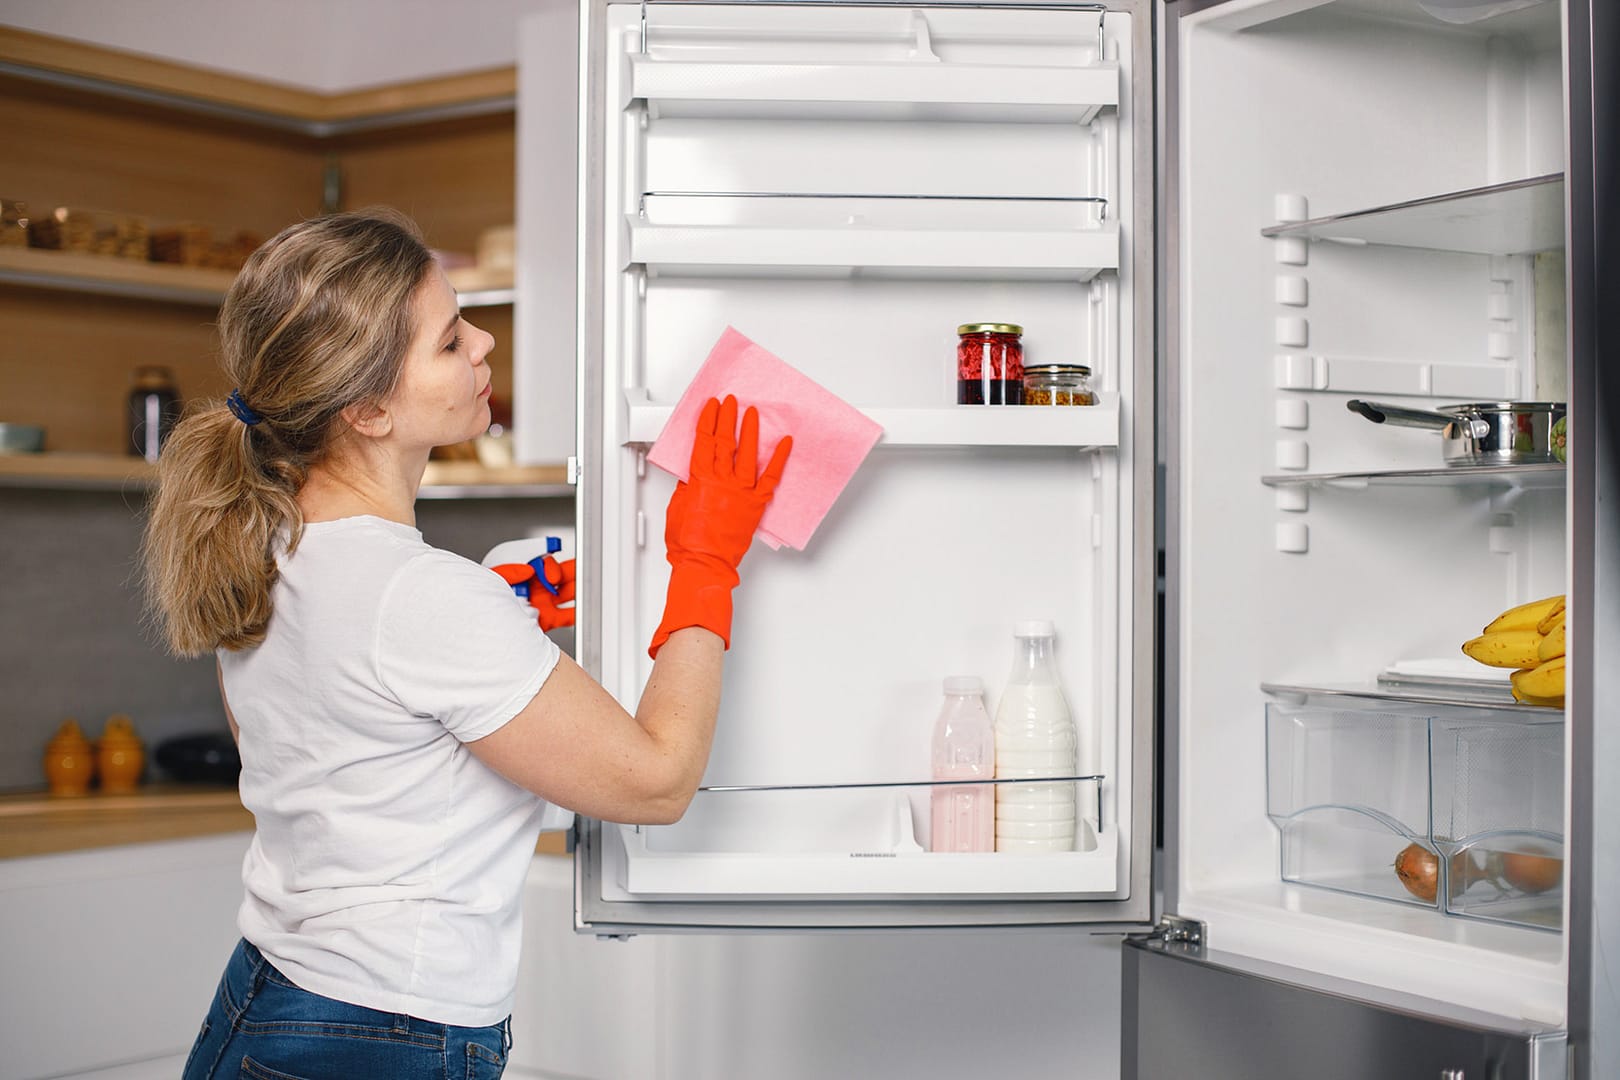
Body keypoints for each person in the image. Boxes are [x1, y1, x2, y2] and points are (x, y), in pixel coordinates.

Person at [140, 207, 791, 1080]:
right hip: (381, 1034)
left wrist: (493, 604)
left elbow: (347, 729)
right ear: (369, 408)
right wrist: (704, 561)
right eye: (450, 341)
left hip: (268, 1001)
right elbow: (658, 779)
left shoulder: (269, 551)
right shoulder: (418, 598)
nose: (484, 344)